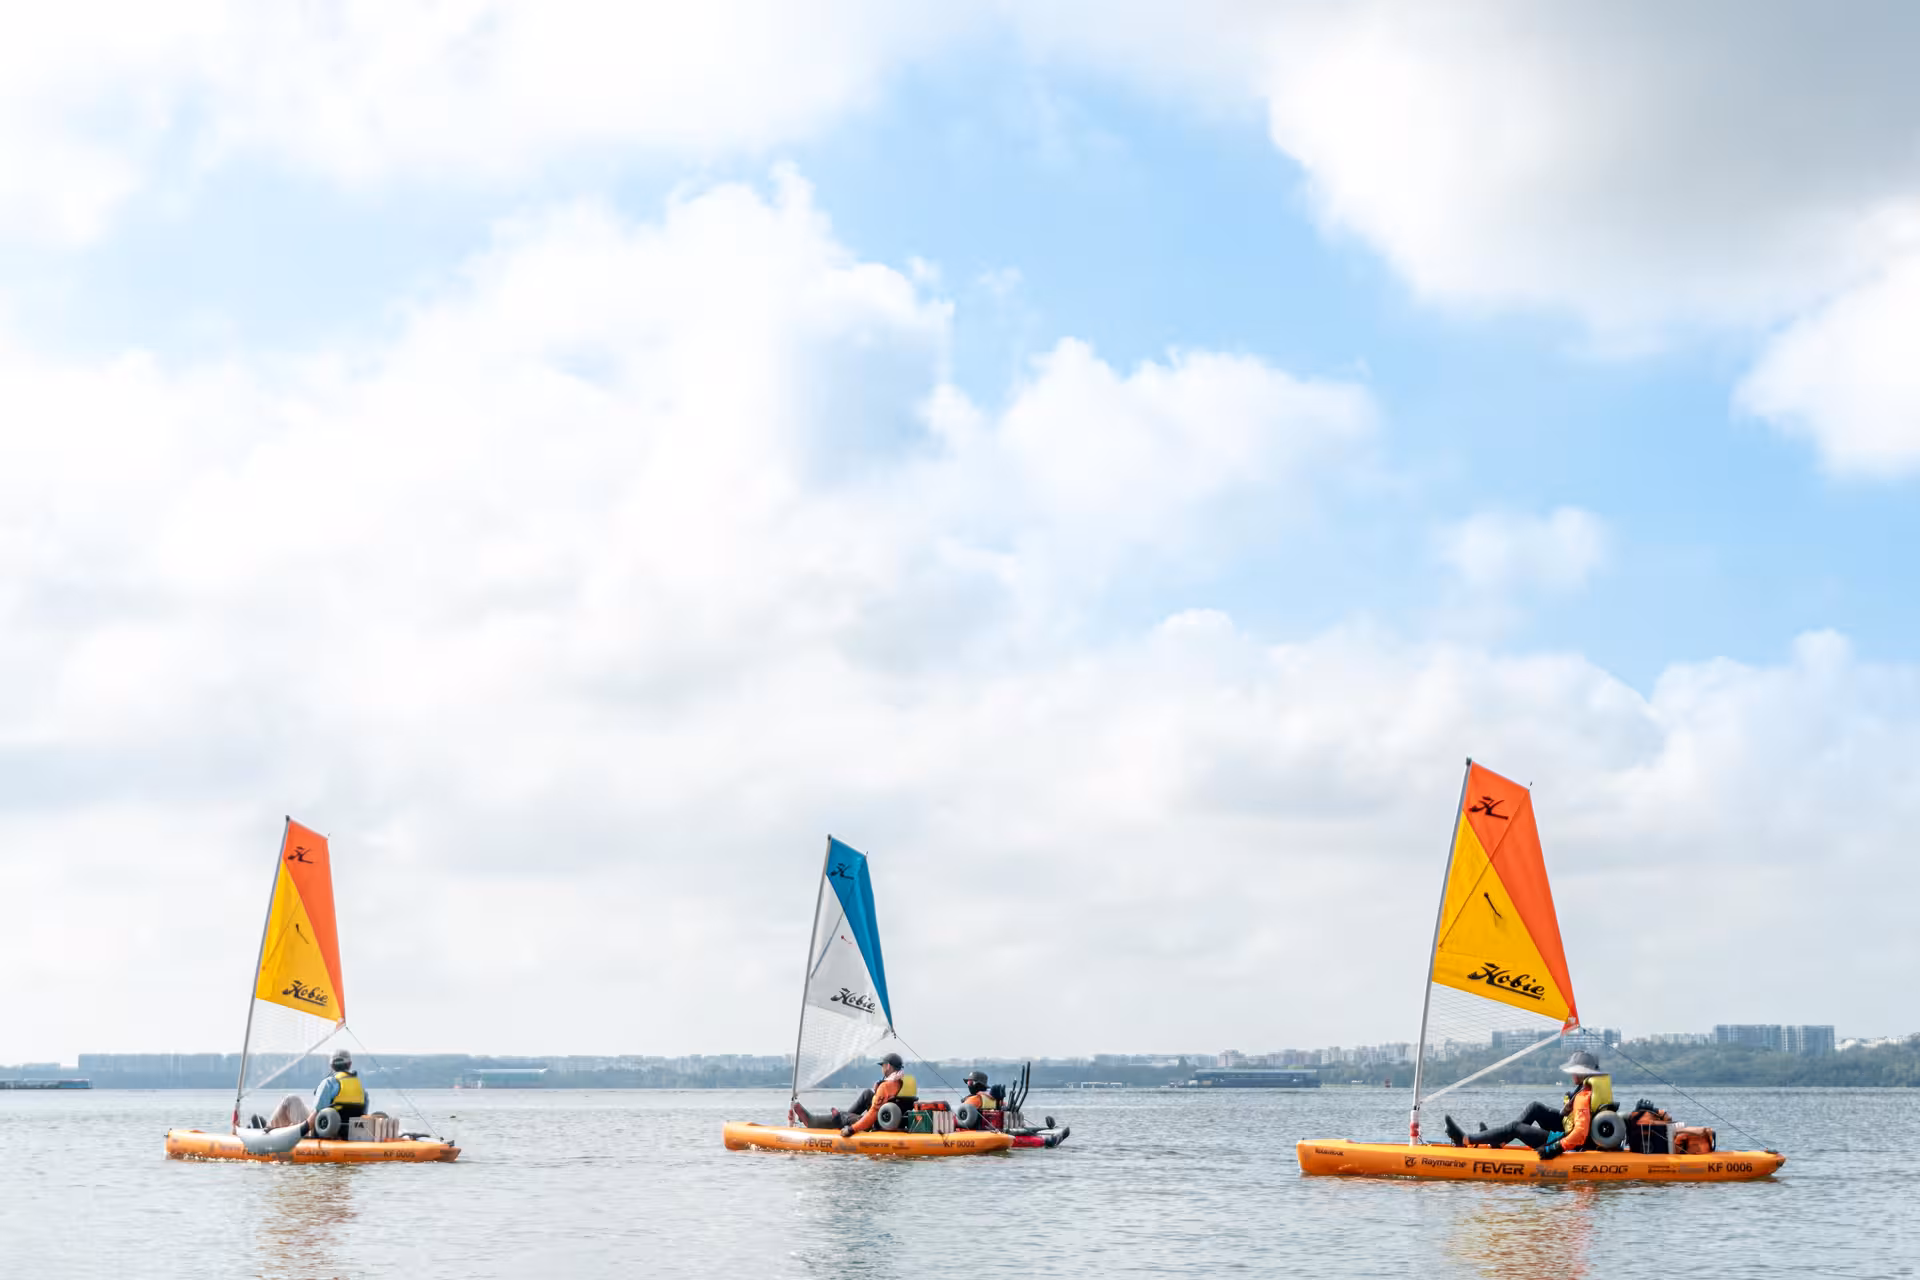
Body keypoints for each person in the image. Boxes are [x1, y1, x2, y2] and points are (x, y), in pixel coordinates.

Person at [1442, 1050, 1604, 1158]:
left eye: (1574, 1070)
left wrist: (1556, 1148)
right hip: (1567, 1131)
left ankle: (1464, 1139)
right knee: (1535, 1108)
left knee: (1515, 1127)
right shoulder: (1586, 1088)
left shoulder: (1584, 1096)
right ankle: (1499, 1141)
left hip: (1568, 1142)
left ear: (1582, 1072)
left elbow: (1581, 1133)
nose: (1571, 1073)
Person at [789, 1053, 912, 1132]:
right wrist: (876, 1092)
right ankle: (843, 1120)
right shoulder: (906, 1082)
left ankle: (812, 1121)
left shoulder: (885, 1087)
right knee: (867, 1094)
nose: (882, 1068)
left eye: (883, 1066)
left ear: (888, 1066)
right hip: (898, 1120)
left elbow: (872, 1115)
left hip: (878, 1125)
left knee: (842, 1116)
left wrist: (852, 1130)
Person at [262, 1050, 370, 1135]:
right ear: (349, 1064)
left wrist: (301, 1131)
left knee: (291, 1099)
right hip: (346, 1131)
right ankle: (276, 1127)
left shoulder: (329, 1083)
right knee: (309, 1107)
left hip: (321, 1130)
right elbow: (362, 1114)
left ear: (331, 1065)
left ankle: (268, 1131)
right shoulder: (361, 1089)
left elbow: (316, 1114)